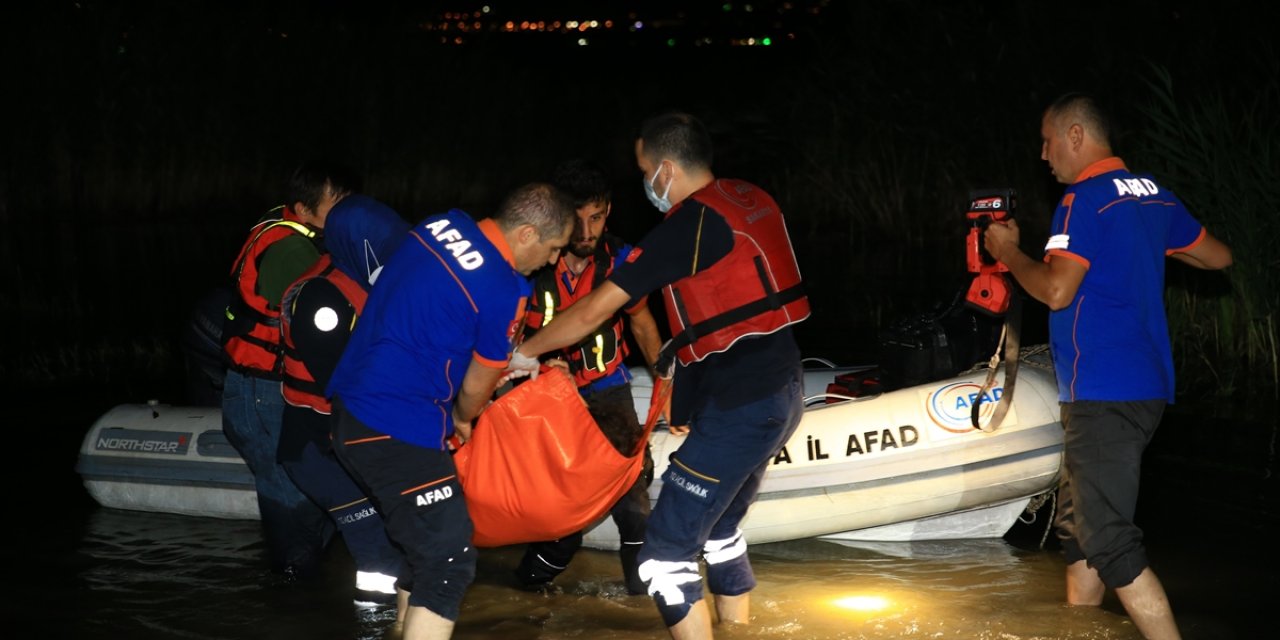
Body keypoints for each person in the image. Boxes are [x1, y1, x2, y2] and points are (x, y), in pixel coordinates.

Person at [508, 111, 811, 639]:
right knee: (718, 532)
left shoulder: (687, 227)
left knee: (664, 559)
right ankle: (738, 630)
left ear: (666, 169)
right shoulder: (751, 197)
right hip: (783, 390)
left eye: (645, 169)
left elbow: (590, 313)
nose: (645, 181)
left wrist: (525, 353)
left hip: (743, 405)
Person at [983, 92, 1232, 640]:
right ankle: (1081, 632)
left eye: (1048, 142)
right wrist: (1151, 245)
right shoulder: (1153, 195)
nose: (1043, 155)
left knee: (1110, 541)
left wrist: (1007, 254)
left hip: (1104, 392)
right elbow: (1217, 256)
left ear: (1076, 135)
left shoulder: (1082, 200)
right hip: (1144, 389)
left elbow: (1054, 291)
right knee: (1080, 533)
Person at [327, 183, 575, 639]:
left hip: (351, 409)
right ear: (526, 234)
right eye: (554, 248)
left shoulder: (441, 225)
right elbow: (476, 386)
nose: (554, 261)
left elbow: (433, 314)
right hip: (395, 424)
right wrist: (463, 416)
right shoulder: (505, 289)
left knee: (419, 548)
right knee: (450, 563)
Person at [511, 158, 669, 596]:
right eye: (576, 220)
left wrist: (666, 387)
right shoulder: (530, 264)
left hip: (607, 388)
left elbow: (642, 325)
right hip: (539, 395)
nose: (585, 232)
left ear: (608, 213)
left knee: (634, 504)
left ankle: (644, 605)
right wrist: (541, 369)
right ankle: (523, 592)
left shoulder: (622, 260)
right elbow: (497, 342)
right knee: (562, 521)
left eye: (596, 218)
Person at [221, 161, 358, 577]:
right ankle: (293, 593)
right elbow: (320, 323)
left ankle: (303, 582)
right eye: (336, 205)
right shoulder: (290, 250)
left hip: (272, 388)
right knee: (290, 497)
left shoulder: (295, 231)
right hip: (261, 391)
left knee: (308, 493)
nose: (344, 214)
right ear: (302, 209)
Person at [276, 194, 410, 609]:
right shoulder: (322, 301)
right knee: (375, 543)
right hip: (316, 446)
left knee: (378, 537)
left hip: (346, 442)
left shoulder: (365, 283)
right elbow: (344, 381)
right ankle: (375, 619)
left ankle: (331, 607)